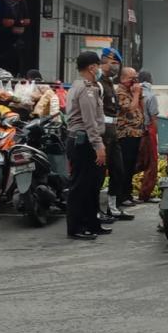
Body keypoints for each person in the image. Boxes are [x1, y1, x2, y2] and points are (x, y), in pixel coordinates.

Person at [65, 51, 110, 240]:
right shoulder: (86, 89)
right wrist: (99, 146)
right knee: (81, 186)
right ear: (92, 67)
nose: (99, 69)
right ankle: (75, 228)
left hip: (84, 140)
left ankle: (93, 223)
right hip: (84, 142)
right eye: (98, 66)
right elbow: (90, 121)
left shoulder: (81, 85)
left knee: (93, 185)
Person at [97, 48, 133, 222]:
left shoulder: (110, 83)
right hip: (102, 133)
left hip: (113, 133)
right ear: (105, 62)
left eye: (117, 64)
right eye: (114, 63)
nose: (116, 67)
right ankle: (96, 210)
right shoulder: (98, 83)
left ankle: (112, 207)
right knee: (97, 174)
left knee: (118, 170)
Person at [116, 67, 144, 205]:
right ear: (123, 78)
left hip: (136, 133)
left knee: (132, 166)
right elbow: (130, 109)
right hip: (126, 134)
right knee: (125, 166)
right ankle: (122, 196)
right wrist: (137, 94)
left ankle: (128, 194)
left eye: (135, 78)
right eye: (131, 78)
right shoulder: (120, 92)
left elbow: (141, 107)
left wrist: (139, 93)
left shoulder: (131, 91)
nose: (134, 81)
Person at [136, 70, 160, 203]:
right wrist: (156, 135)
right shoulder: (151, 95)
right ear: (151, 80)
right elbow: (154, 118)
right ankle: (145, 194)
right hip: (147, 132)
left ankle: (123, 193)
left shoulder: (133, 93)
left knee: (134, 162)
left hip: (133, 133)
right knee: (151, 164)